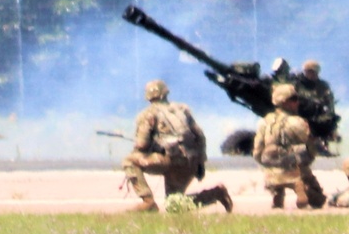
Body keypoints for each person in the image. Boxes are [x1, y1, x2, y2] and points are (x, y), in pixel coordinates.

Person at [122, 80, 231, 213]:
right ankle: (215, 194)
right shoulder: (182, 110)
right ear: (165, 94)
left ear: (149, 97)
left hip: (169, 161)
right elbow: (200, 136)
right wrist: (200, 162)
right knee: (174, 205)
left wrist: (143, 147)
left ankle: (148, 201)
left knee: (129, 161)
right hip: (189, 162)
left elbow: (142, 145)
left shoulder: (148, 114)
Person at [252, 83, 326, 210]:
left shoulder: (264, 122)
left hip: (271, 174)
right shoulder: (297, 122)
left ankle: (277, 192)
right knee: (318, 201)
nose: (297, 102)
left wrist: (268, 164)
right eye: (294, 99)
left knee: (273, 165)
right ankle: (301, 188)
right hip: (296, 171)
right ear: (285, 102)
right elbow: (310, 148)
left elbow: (257, 151)